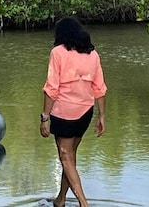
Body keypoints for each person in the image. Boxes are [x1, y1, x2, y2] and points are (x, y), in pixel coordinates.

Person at [40, 17, 107, 207]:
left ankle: (83, 204)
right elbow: (99, 88)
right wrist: (102, 116)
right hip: (85, 112)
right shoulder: (92, 54)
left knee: (65, 155)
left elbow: (52, 88)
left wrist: (44, 117)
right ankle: (60, 199)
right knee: (69, 156)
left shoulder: (58, 53)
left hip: (64, 113)